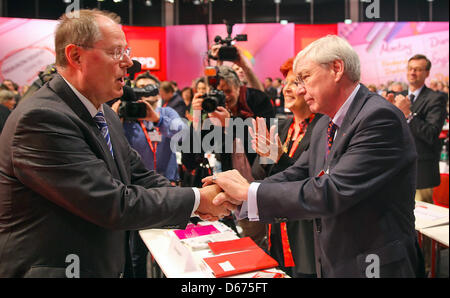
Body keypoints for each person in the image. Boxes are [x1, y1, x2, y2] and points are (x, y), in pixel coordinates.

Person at [0, 9, 235, 278]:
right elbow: (111, 203)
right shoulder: (42, 118)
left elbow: (138, 176)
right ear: (76, 56)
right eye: (116, 52)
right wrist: (196, 200)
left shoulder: (105, 113)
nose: (128, 62)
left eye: (127, 51)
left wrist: (203, 197)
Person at [205, 35, 424, 278]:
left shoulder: (379, 117)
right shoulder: (324, 123)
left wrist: (248, 193)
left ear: (336, 69)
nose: (299, 89)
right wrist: (244, 193)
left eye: (305, 77)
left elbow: (333, 190)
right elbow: (298, 172)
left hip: (374, 266)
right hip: (334, 262)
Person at [251, 57, 322, 278]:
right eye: (286, 83)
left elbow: (312, 180)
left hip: (306, 234)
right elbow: (258, 174)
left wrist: (279, 157)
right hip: (277, 230)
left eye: (294, 83)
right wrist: (266, 156)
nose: (286, 90)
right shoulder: (281, 126)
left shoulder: (322, 129)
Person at [393, 54, 448, 203]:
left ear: (427, 73)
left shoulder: (436, 98)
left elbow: (431, 133)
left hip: (421, 172)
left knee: (422, 222)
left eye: (417, 69)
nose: (412, 72)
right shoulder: (399, 96)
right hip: (396, 170)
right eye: (410, 68)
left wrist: (408, 115)